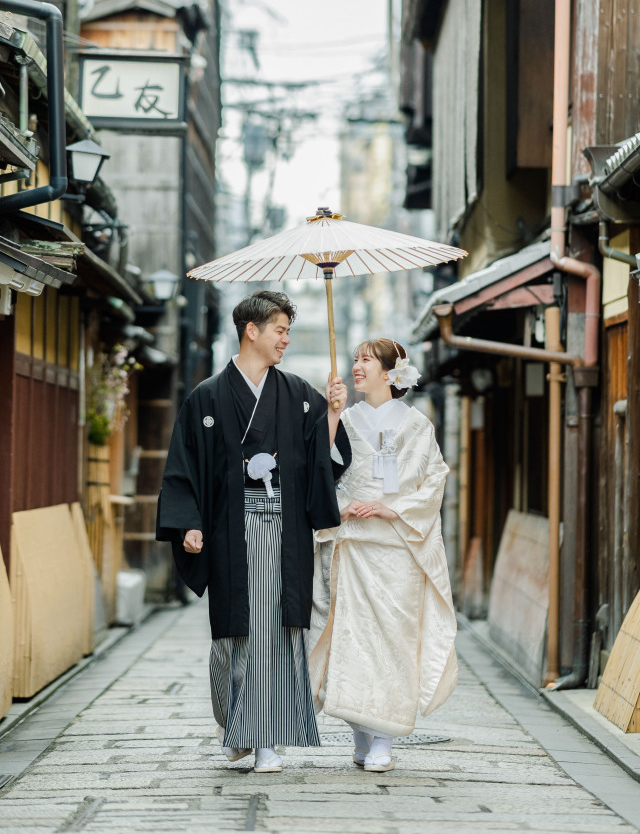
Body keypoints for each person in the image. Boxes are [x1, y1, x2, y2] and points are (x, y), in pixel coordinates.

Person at [157, 290, 351, 773]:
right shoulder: (207, 396)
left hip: (284, 533)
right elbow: (184, 467)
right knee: (234, 636)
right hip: (230, 533)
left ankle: (266, 741)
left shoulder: (301, 395)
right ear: (252, 330)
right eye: (279, 330)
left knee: (277, 633)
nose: (285, 339)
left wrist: (331, 413)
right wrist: (189, 523)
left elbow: (319, 462)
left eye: (287, 331)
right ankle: (236, 728)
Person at [309, 337, 458, 773]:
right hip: (351, 542)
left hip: (396, 546)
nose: (357, 366)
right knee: (350, 641)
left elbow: (434, 479)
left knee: (393, 638)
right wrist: (340, 505)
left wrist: (395, 508)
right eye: (355, 359)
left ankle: (385, 739)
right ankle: (360, 732)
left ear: (392, 374)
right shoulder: (345, 417)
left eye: (367, 360)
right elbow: (319, 468)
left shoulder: (416, 425)